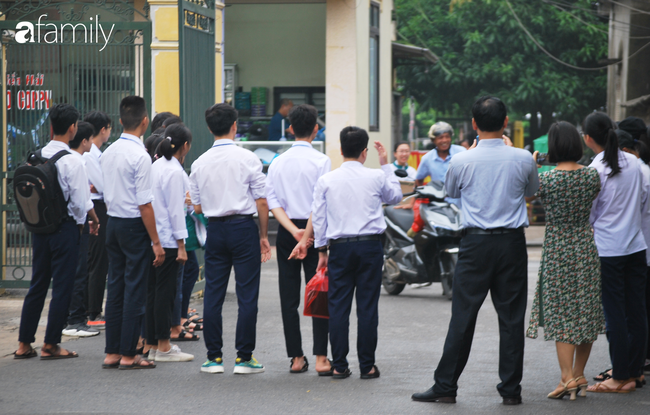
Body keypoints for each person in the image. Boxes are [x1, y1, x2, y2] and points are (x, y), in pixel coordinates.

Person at [412, 96, 539, 405]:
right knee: (511, 318)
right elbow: (532, 192)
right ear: (505, 122)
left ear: (473, 125)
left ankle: (445, 385)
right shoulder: (523, 158)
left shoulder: (461, 160)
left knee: (463, 314)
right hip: (511, 243)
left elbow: (452, 192)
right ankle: (511, 390)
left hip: (475, 243)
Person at [307, 127, 402, 379]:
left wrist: (322, 250)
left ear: (340, 150)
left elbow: (319, 218)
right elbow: (395, 196)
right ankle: (367, 366)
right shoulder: (376, 176)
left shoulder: (327, 180)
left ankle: (339, 365)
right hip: (370, 246)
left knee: (338, 307)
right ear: (364, 151)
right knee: (367, 306)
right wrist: (385, 165)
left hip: (339, 247)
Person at [189, 103, 272, 374]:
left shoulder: (199, 163)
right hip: (243, 228)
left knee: (213, 293)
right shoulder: (248, 158)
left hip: (215, 230)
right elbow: (261, 202)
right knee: (247, 294)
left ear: (210, 128)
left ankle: (213, 358)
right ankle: (244, 357)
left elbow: (197, 207)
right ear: (235, 126)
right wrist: (262, 235)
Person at [526, 121, 604, 400]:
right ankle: (580, 374)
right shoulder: (591, 177)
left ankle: (566, 378)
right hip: (584, 245)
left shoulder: (546, 180)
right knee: (585, 312)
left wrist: (533, 165)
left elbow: (526, 193)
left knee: (561, 315)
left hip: (558, 248)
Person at [14, 104, 99, 360]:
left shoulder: (35, 156)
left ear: (51, 126)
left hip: (39, 229)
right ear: (73, 128)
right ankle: (51, 344)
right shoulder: (73, 161)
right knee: (63, 286)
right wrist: (90, 220)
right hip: (65, 229)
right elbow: (80, 204)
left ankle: (23, 344)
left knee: (37, 284)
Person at [584, 112, 648, 393]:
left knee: (614, 314)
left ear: (588, 138)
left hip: (609, 249)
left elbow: (590, 213)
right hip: (636, 246)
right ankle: (634, 372)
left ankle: (620, 375)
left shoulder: (595, 169)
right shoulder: (635, 162)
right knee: (636, 310)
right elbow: (644, 199)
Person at [265, 104, 332, 375]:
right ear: (316, 129)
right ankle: (320, 358)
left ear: (290, 129)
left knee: (288, 294)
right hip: (314, 232)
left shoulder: (277, 161)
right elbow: (321, 201)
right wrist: (306, 236)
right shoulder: (321, 160)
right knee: (318, 292)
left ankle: (295, 357)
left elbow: (272, 201)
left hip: (286, 231)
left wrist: (293, 232)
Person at [101, 96, 164, 370]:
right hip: (133, 225)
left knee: (115, 288)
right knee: (135, 289)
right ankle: (129, 354)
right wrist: (156, 241)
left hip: (112, 223)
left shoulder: (108, 152)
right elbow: (145, 204)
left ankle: (112, 352)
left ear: (119, 121)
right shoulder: (141, 156)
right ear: (145, 121)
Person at [145, 123, 194, 363]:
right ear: (185, 146)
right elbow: (176, 211)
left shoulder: (156, 166)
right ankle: (163, 345)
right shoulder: (175, 172)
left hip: (155, 236)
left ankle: (154, 343)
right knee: (165, 293)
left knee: (154, 292)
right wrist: (182, 245)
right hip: (169, 240)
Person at [62, 121, 101, 338]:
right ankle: (76, 320)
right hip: (77, 223)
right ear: (84, 140)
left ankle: (70, 318)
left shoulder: (63, 159)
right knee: (80, 271)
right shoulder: (78, 162)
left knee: (71, 271)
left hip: (63, 223)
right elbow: (84, 200)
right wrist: (94, 219)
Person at [83, 110, 112, 330]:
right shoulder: (90, 154)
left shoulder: (93, 153)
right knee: (98, 261)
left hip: (96, 206)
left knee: (96, 259)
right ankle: (93, 311)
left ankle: (90, 309)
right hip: (96, 208)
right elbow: (103, 185)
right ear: (103, 130)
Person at [414, 121, 466, 187]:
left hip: (459, 196)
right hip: (437, 196)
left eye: (447, 136)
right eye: (440, 137)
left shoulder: (461, 152)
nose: (444, 140)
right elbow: (419, 180)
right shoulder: (427, 158)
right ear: (433, 140)